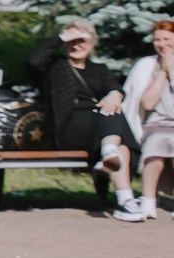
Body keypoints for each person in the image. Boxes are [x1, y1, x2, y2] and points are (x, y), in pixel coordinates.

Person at [32, 17, 138, 216]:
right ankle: (110, 157)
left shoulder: (99, 70)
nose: (76, 45)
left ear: (92, 43)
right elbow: (33, 61)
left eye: (82, 40)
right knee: (111, 120)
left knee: (112, 115)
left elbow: (114, 86)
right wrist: (61, 37)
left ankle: (126, 200)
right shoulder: (54, 67)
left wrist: (115, 95)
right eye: (71, 41)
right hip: (68, 126)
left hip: (100, 127)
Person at [122, 17, 174, 220]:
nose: (162, 44)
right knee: (157, 140)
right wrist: (163, 72)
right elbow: (148, 104)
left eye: (167, 39)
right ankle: (148, 200)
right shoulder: (146, 65)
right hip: (155, 124)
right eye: (158, 40)